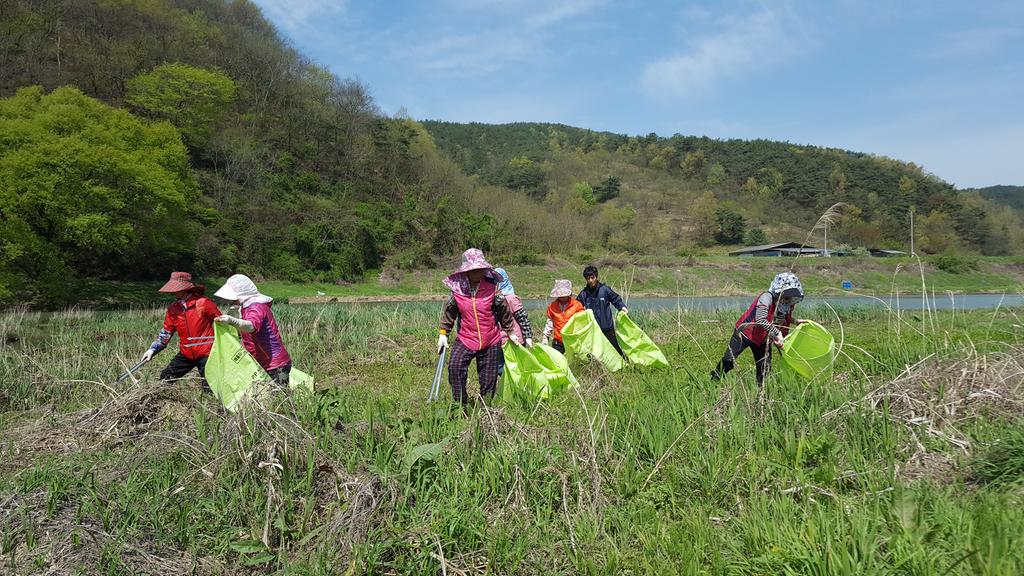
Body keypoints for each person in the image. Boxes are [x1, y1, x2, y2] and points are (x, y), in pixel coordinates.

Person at [437, 249, 521, 405]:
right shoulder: (457, 291)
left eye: (480, 269)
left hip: (490, 340)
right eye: (473, 270)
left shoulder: (492, 289)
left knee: (489, 379)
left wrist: (510, 331)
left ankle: (485, 408)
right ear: (466, 271)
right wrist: (443, 333)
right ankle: (460, 404)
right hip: (466, 338)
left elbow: (504, 311)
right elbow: (449, 313)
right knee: (455, 368)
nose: (477, 272)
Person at [711, 272, 806, 387]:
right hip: (744, 333)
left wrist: (795, 321)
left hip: (763, 339)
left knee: (764, 368)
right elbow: (760, 319)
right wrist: (777, 333)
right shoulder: (766, 297)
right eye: (786, 293)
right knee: (728, 360)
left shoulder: (787, 303)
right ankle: (714, 380)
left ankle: (760, 391)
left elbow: (782, 317)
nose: (788, 297)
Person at [141, 272, 222, 385]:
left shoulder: (203, 303)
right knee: (165, 380)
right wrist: (153, 349)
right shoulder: (173, 308)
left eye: (176, 289)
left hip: (207, 353)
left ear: (185, 289)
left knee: (210, 387)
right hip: (186, 353)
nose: (173, 292)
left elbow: (222, 322)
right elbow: (167, 332)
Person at [213, 274, 292, 387]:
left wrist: (231, 321)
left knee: (280, 395)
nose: (231, 300)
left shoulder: (256, 306)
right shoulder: (245, 307)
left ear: (241, 293)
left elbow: (251, 326)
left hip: (276, 364)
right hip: (261, 362)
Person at [576, 265, 628, 358]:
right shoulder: (583, 294)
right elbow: (576, 307)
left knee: (615, 349)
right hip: (593, 329)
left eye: (592, 277)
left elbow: (616, 299)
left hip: (607, 327)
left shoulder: (605, 290)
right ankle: (595, 366)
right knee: (593, 352)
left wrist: (622, 307)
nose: (591, 280)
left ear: (596, 277)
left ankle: (625, 363)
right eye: (588, 278)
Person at [542, 279, 584, 354]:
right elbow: (550, 322)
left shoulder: (577, 306)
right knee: (556, 358)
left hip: (573, 340)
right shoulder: (552, 306)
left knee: (573, 359)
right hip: (558, 340)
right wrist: (545, 336)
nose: (562, 297)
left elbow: (582, 322)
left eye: (564, 295)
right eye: (560, 295)